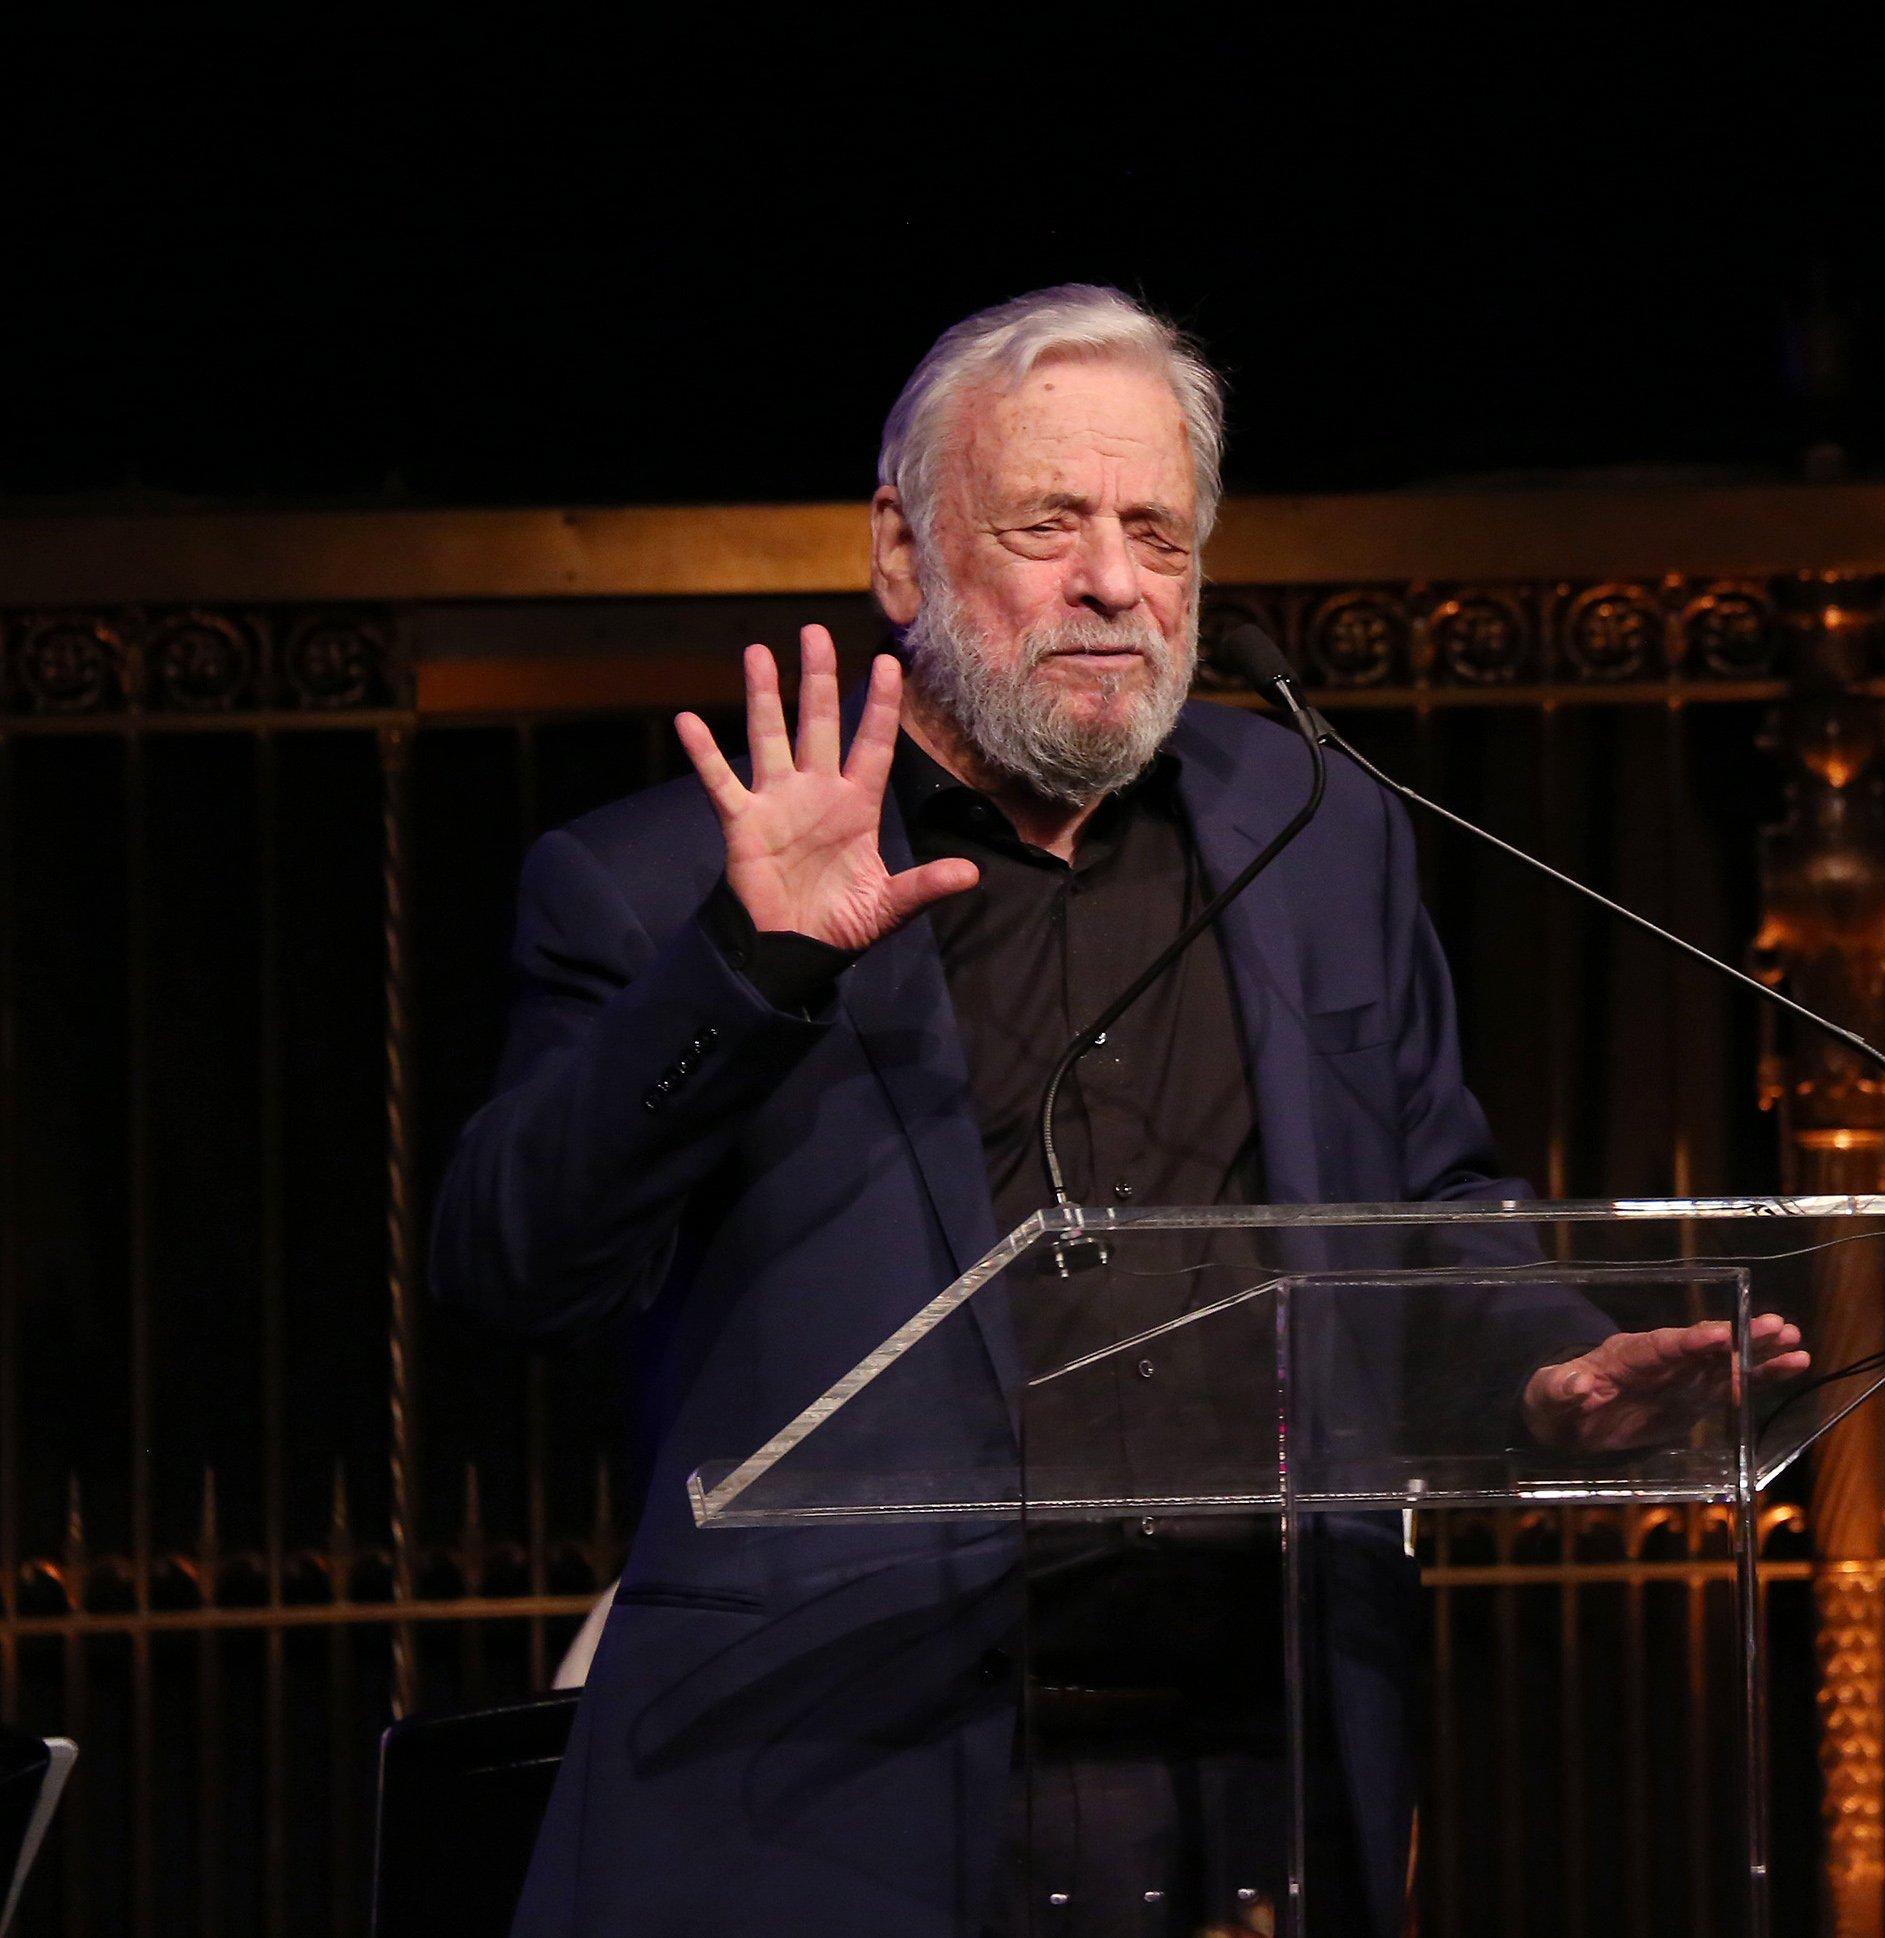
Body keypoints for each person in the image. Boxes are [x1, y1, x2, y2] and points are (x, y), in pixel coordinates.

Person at [432, 285, 1803, 1937]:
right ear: (899, 550)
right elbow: (509, 1266)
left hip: (1253, 1770)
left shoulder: (1316, 827)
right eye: (1048, 521)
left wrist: (1545, 1363)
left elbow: (1424, 1200)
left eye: (1157, 533)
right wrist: (748, 967)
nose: (1110, 581)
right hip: (824, 1795)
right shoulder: (658, 881)